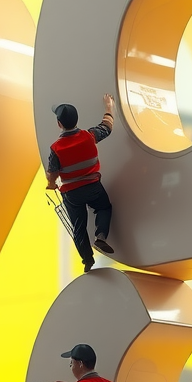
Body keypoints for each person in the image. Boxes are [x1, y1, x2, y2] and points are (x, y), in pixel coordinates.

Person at [46, 95, 115, 274]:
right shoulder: (89, 136)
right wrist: (109, 106)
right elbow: (107, 127)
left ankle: (87, 260)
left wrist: (51, 183)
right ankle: (101, 236)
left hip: (71, 194)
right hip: (93, 187)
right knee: (104, 208)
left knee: (79, 227)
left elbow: (52, 172)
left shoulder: (56, 148)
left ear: (59, 124)